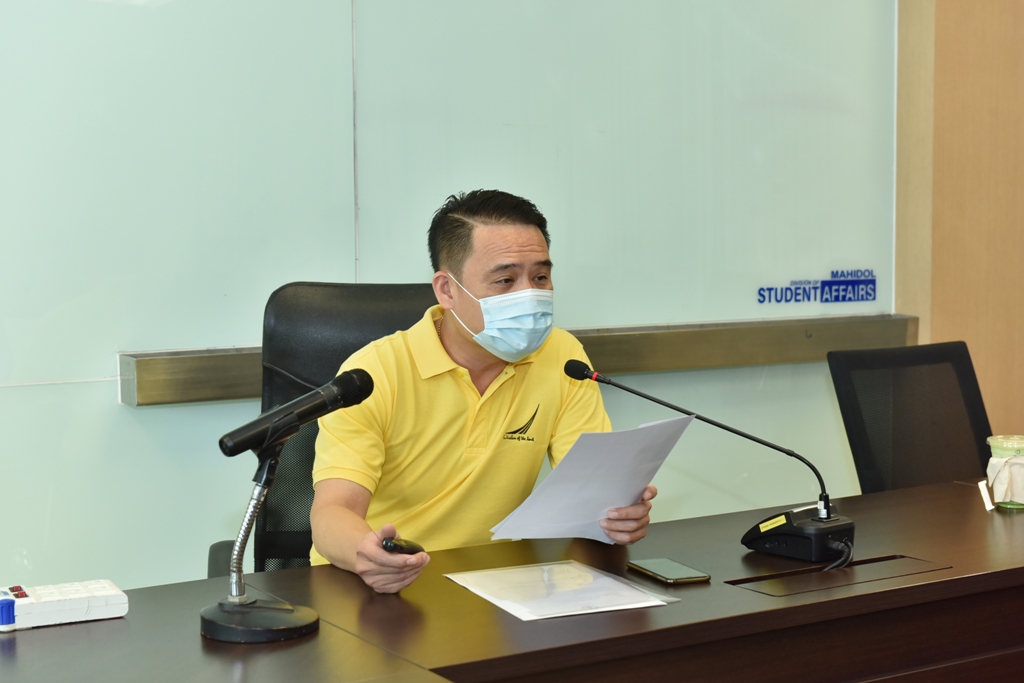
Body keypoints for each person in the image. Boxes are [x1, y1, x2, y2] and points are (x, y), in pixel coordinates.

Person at [309, 189, 657, 593]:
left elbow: (590, 494)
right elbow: (332, 511)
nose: (529, 295)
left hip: (500, 583)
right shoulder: (375, 372)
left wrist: (616, 517)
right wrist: (368, 555)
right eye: (505, 280)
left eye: (540, 277)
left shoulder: (562, 357)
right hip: (384, 585)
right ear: (447, 290)